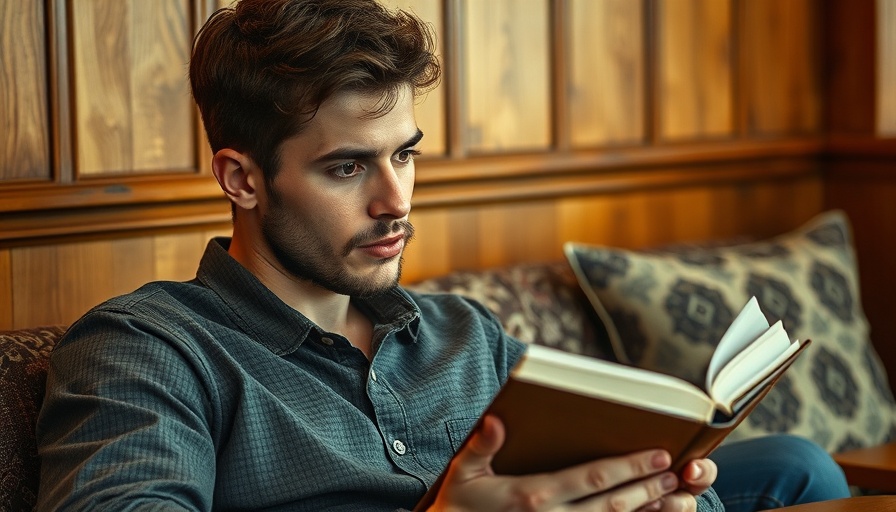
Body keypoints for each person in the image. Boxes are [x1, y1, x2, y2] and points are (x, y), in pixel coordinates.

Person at [35, 0, 850, 510]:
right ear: (242, 179)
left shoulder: (463, 334)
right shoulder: (149, 348)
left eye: (406, 155)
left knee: (798, 468)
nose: (397, 202)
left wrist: (658, 495)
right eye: (348, 167)